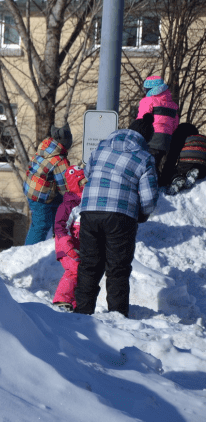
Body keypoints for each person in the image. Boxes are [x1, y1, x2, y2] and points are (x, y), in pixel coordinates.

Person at [74, 113, 159, 318]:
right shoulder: (144, 157)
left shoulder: (101, 148)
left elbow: (87, 174)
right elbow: (149, 198)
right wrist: (142, 214)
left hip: (90, 211)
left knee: (88, 264)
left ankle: (82, 313)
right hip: (120, 216)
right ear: (145, 138)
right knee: (117, 267)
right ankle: (118, 316)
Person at [22, 125, 72, 245]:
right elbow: (64, 186)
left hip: (31, 189)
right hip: (40, 196)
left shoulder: (46, 148)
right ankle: (29, 252)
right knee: (41, 224)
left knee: (58, 206)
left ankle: (57, 236)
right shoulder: (59, 159)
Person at [51, 166, 86, 312]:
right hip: (65, 245)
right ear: (75, 184)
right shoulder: (69, 205)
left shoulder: (84, 203)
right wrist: (67, 245)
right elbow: (60, 226)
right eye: (82, 183)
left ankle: (73, 302)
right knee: (74, 270)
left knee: (81, 273)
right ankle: (61, 299)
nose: (86, 186)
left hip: (78, 246)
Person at [137, 74, 178, 182]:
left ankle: (151, 184)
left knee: (148, 164)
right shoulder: (171, 104)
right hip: (166, 139)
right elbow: (175, 124)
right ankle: (160, 182)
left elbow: (141, 120)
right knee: (158, 161)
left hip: (152, 137)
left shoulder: (148, 100)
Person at [168, 128, 206, 195]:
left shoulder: (186, 138)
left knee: (179, 170)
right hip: (202, 162)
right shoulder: (204, 138)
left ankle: (178, 178)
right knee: (202, 173)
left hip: (187, 159)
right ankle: (195, 174)